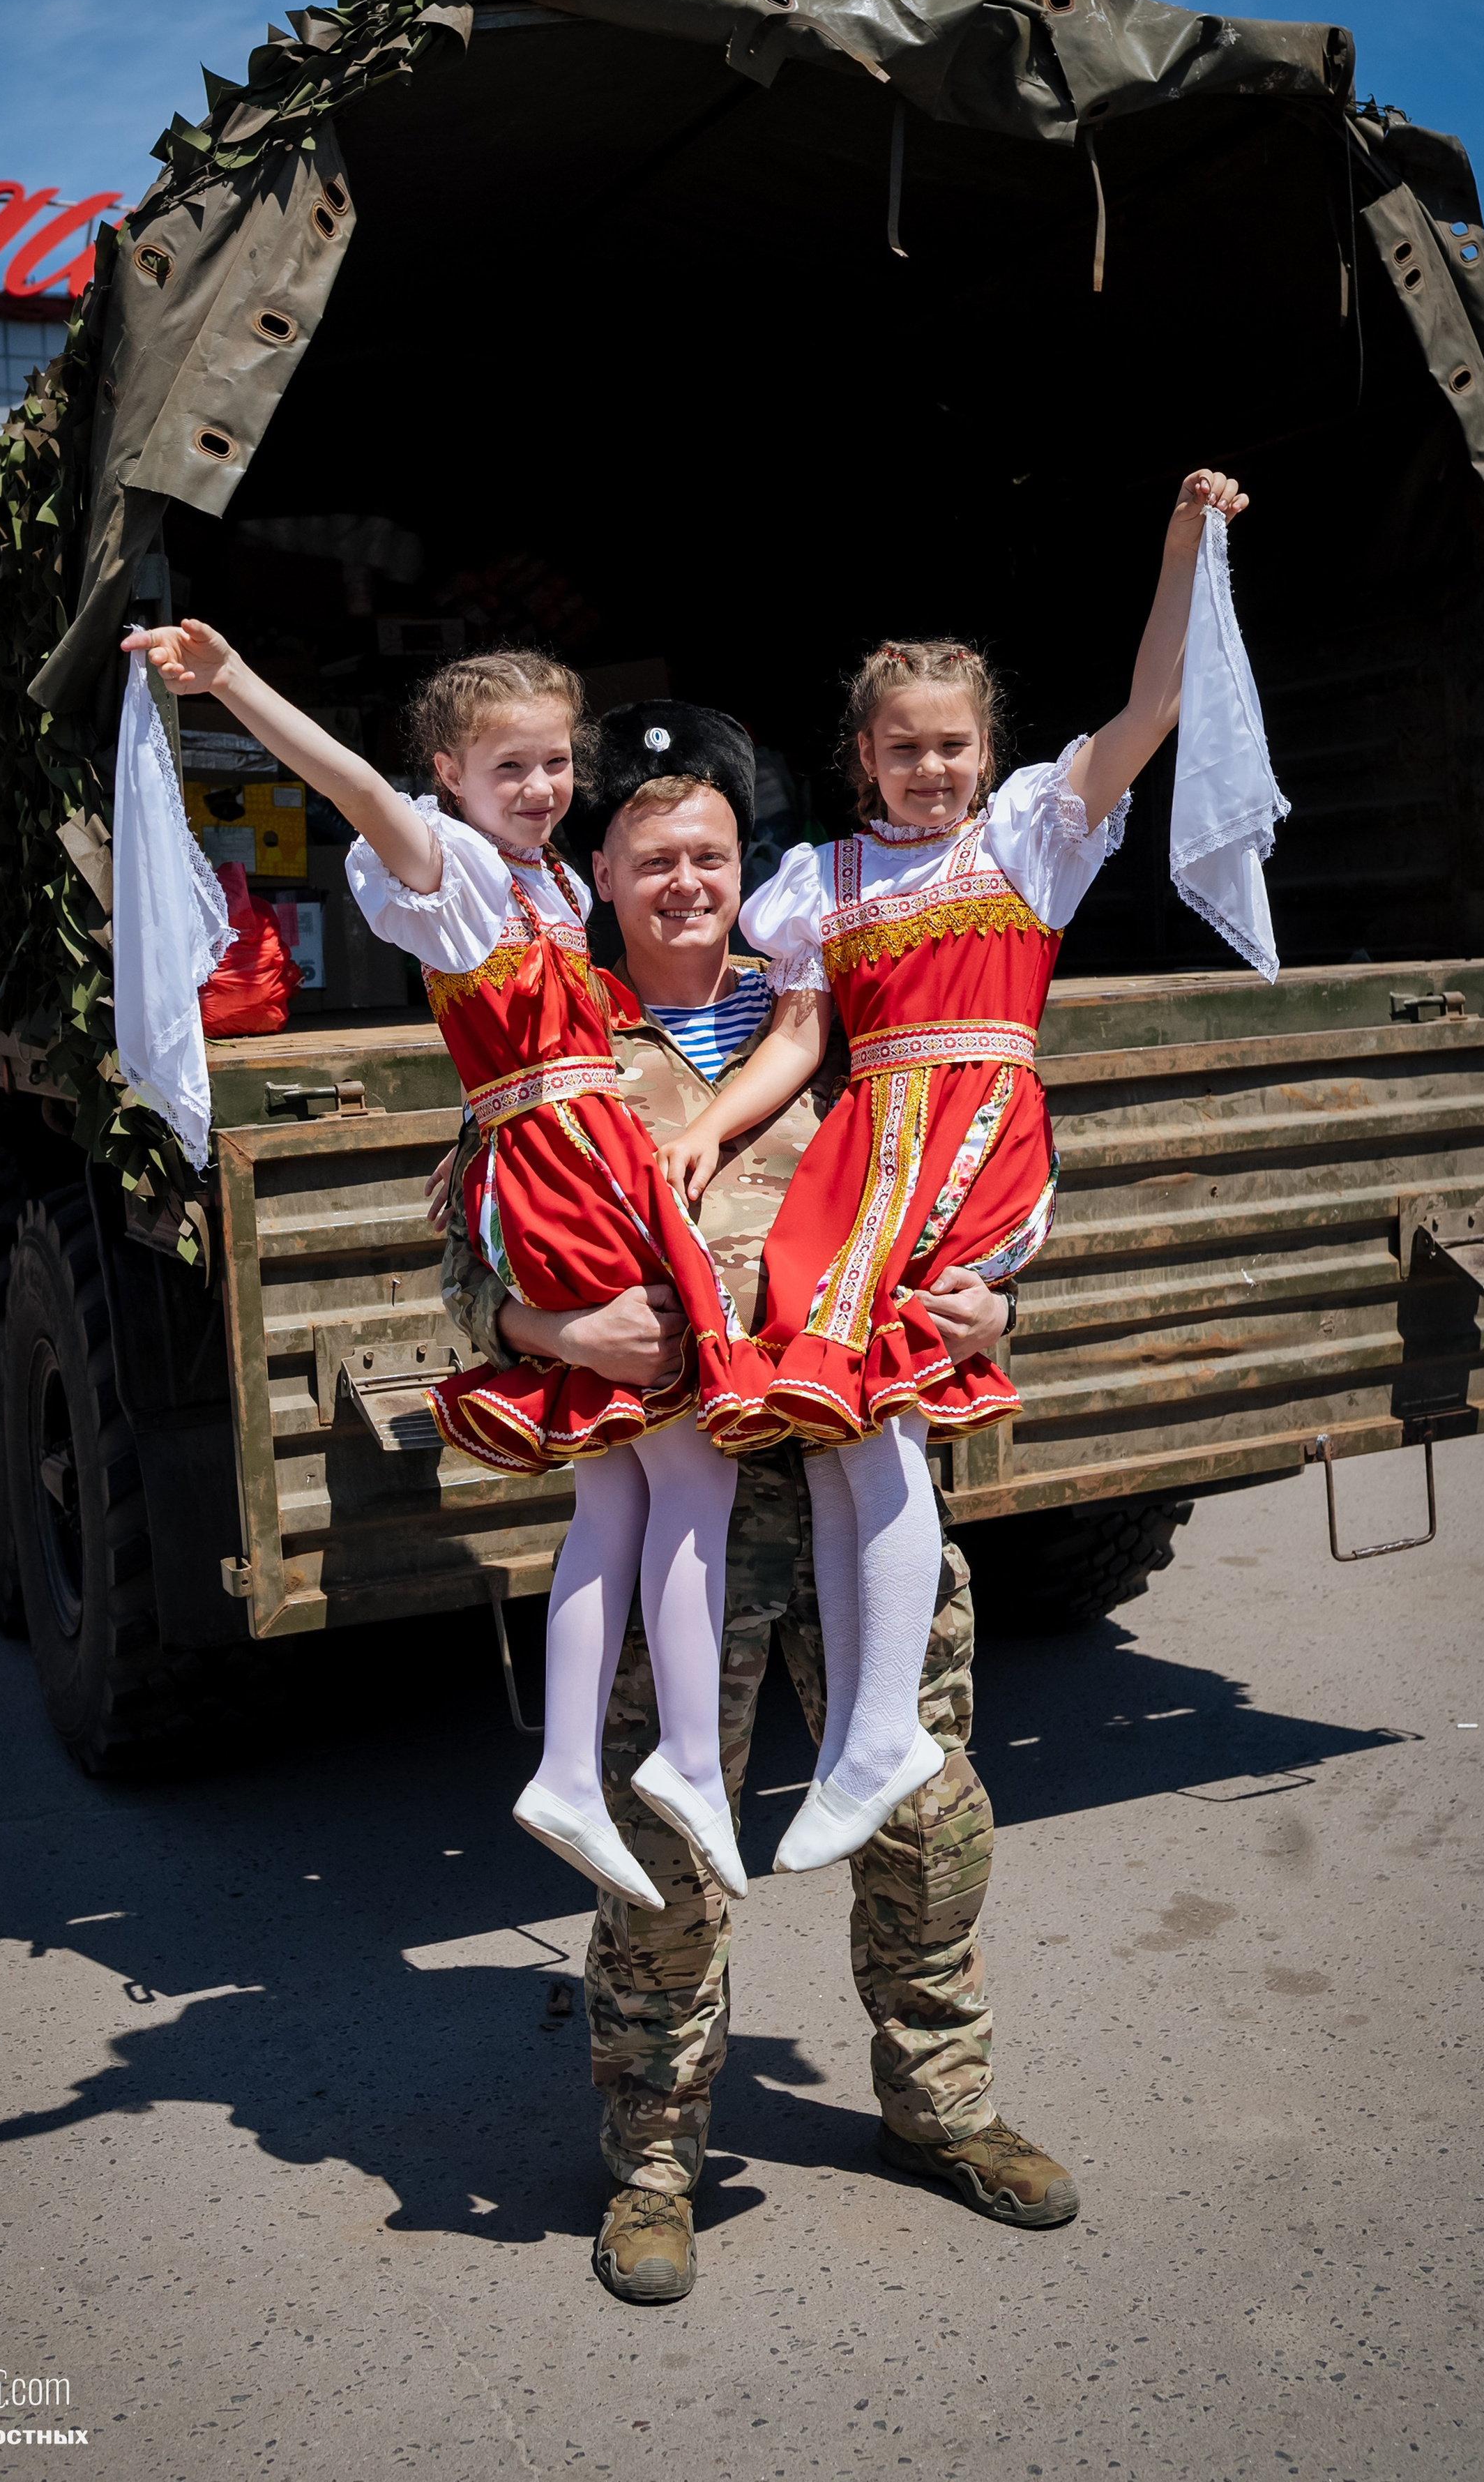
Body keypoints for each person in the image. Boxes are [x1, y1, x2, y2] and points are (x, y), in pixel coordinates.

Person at [439, 700, 1078, 2306]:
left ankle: (943, 2107)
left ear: (745, 869)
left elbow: (972, 1164)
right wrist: (546, 1329)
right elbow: (473, 1245)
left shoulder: (838, 1006)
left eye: (707, 856)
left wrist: (1001, 1304)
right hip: (683, 1515)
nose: (683, 884)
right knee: (665, 1848)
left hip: (858, 1478)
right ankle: (655, 2162)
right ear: (602, 874)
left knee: (925, 1811)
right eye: (651, 859)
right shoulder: (556, 1026)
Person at [118, 625, 780, 1919]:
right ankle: (686, 1764)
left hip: (561, 1148)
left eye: (550, 765)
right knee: (693, 1464)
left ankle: (578, 1774)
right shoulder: (455, 868)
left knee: (613, 1501)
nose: (536, 788)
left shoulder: (543, 887)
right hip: (572, 1163)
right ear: (449, 777)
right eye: (505, 768)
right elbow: (354, 790)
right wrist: (237, 681)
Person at [660, 469, 1249, 1879]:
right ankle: (871, 1735)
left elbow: (1148, 709)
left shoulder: (1031, 838)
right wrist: (709, 1124)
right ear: (861, 754)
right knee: (846, 1429)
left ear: (985, 751)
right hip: (864, 1148)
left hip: (975, 1130)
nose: (931, 769)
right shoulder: (821, 880)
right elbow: (800, 1041)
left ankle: (876, 1737)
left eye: (952, 746)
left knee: (889, 1425)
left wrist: (1176, 543)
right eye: (904, 748)